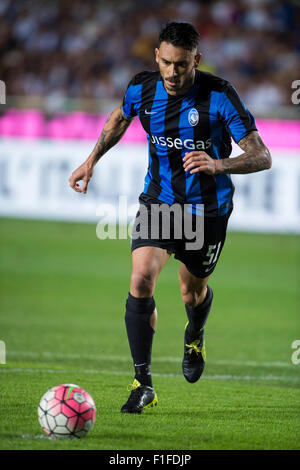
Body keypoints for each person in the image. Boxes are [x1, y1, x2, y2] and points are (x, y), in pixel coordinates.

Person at [69, 22, 272, 414]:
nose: (172, 73)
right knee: (141, 277)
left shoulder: (219, 95)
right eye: (165, 63)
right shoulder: (142, 88)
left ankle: (194, 333)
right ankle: (142, 382)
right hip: (159, 202)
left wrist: (219, 164)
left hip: (207, 211)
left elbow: (262, 155)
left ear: (196, 59)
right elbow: (119, 119)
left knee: (190, 293)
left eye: (181, 65)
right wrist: (90, 160)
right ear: (156, 57)